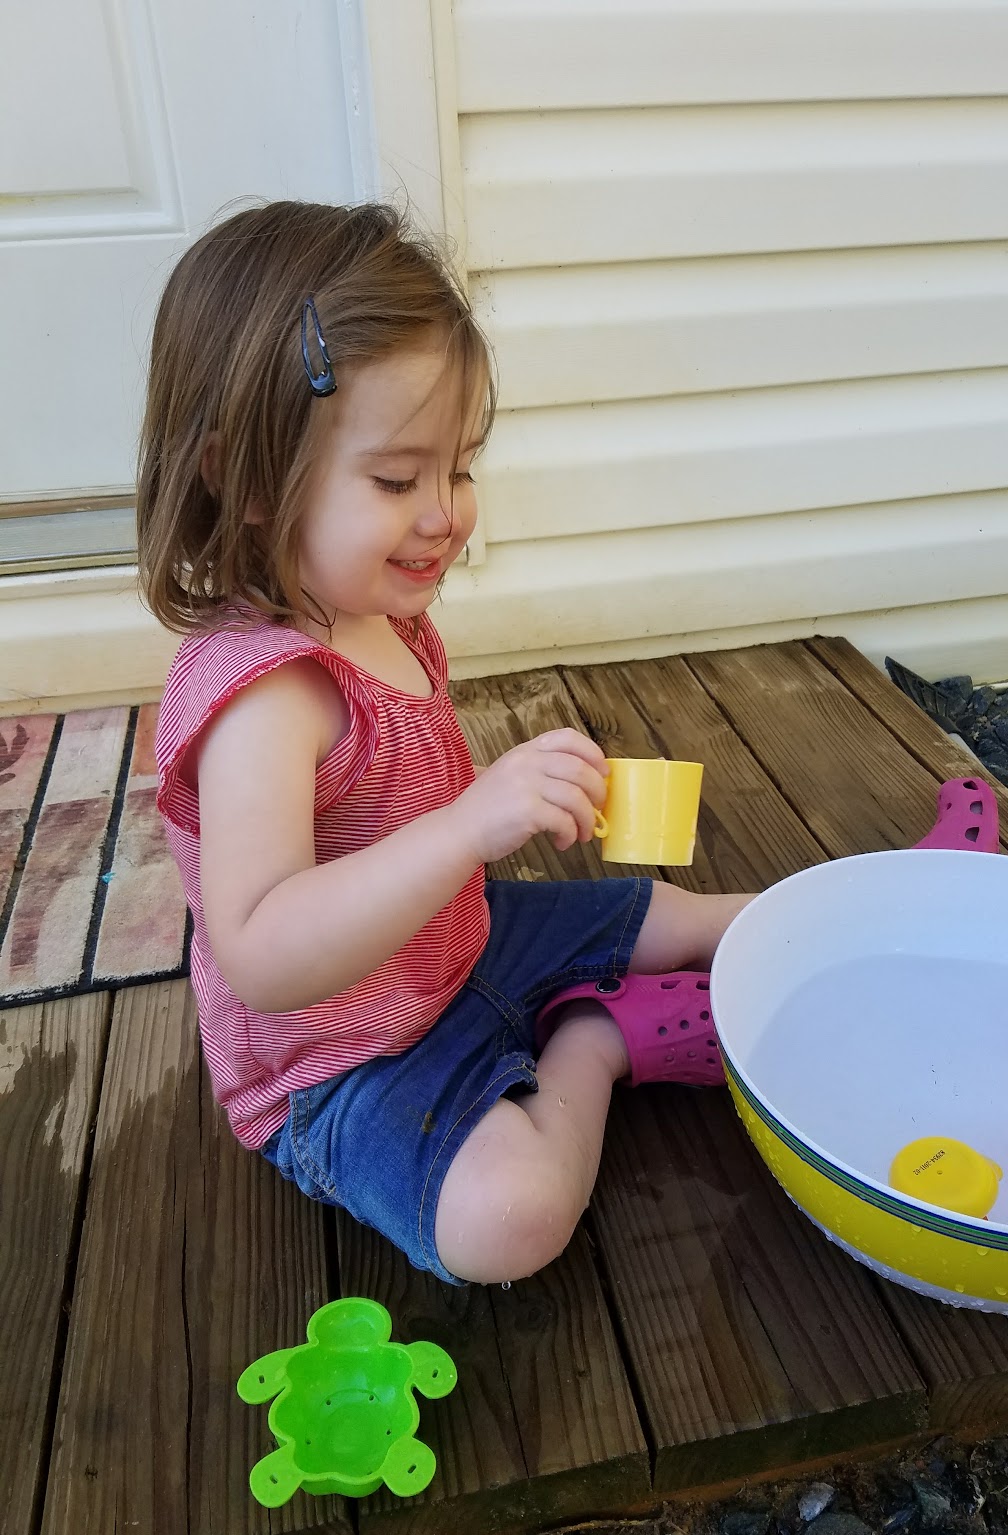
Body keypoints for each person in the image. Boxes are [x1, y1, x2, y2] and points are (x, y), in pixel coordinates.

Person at [140, 200, 754, 1286]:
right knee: (509, 1221)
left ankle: (846, 915)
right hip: (340, 1057)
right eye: (395, 480)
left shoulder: (376, 608)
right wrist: (473, 824)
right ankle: (598, 1047)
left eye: (458, 468)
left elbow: (403, 801)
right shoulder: (265, 701)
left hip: (451, 942)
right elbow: (265, 951)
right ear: (243, 482)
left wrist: (536, 798)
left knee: (677, 912)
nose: (445, 515)